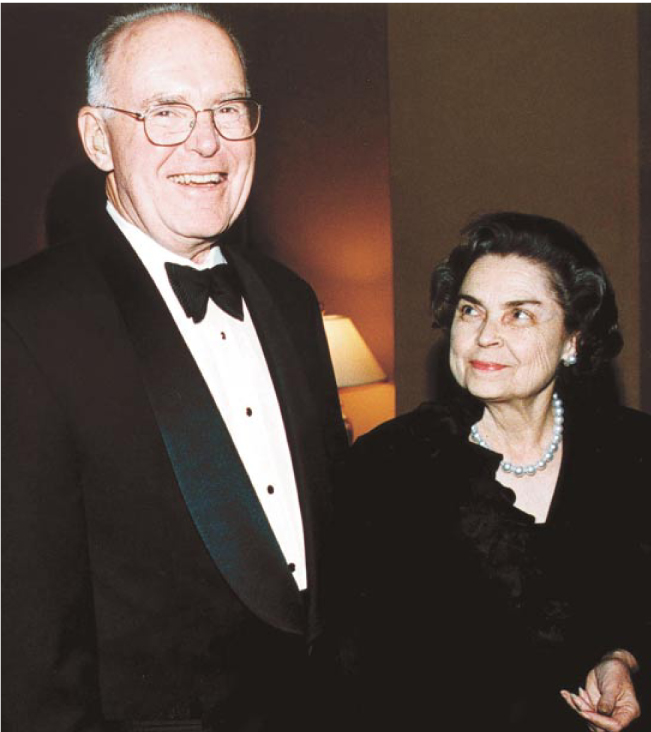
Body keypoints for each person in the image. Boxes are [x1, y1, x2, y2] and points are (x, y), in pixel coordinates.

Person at [2, 5, 347, 731]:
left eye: (228, 108)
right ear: (98, 138)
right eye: (166, 112)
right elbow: (30, 646)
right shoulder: (25, 322)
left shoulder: (292, 301)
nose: (207, 141)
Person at [336, 212, 649, 731]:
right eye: (470, 310)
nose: (484, 336)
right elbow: (355, 671)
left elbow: (634, 604)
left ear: (573, 339)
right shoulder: (388, 466)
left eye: (518, 315)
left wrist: (621, 659)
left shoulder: (632, 451)